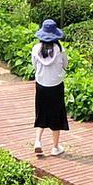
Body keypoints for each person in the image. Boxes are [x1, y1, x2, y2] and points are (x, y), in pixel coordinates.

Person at [31, 19, 69, 157]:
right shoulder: (60, 50)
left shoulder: (36, 49)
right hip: (56, 86)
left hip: (41, 86)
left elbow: (34, 65)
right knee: (56, 115)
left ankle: (37, 142)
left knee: (41, 113)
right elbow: (66, 65)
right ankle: (55, 147)